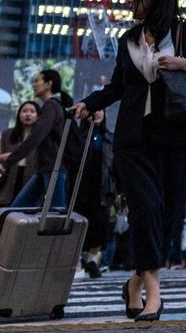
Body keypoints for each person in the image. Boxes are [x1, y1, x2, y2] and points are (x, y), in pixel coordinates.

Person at [72, 0, 186, 321]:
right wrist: (89, 103)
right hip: (132, 140)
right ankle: (154, 295)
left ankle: (135, 282)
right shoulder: (129, 39)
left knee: (169, 218)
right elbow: (118, 87)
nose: (129, 2)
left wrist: (185, 64)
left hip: (176, 138)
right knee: (146, 210)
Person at [0, 69, 71, 209]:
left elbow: (35, 138)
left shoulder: (51, 106)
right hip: (45, 169)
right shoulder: (52, 106)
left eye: (37, 81)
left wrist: (8, 161)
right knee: (16, 210)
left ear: (49, 84)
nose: (33, 85)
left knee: (56, 215)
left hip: (53, 169)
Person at [75, 109, 116, 278]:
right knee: (78, 224)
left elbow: (115, 165)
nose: (97, 114)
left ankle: (92, 260)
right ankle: (77, 260)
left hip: (102, 188)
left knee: (100, 226)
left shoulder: (110, 137)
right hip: (81, 187)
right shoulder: (79, 136)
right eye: (94, 111)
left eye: (100, 111)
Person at [0, 101, 40, 210]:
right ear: (19, 115)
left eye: (32, 111)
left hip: (30, 181)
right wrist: (2, 157)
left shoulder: (42, 137)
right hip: (5, 182)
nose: (28, 114)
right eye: (24, 111)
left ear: (38, 116)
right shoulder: (6, 134)